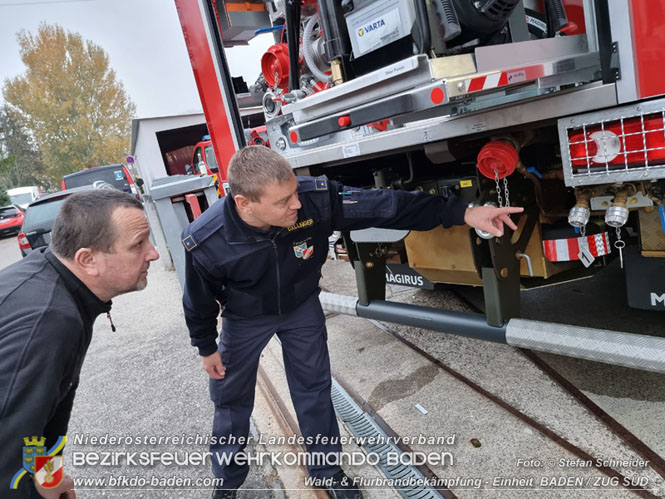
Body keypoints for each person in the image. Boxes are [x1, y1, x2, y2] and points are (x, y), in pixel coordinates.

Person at [182, 146, 522, 499]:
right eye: (283, 201)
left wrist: (463, 212)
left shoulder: (316, 201)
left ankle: (327, 470)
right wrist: (206, 346)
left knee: (313, 390)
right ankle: (227, 480)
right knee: (231, 399)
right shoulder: (208, 240)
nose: (296, 205)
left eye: (295, 192)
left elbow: (387, 205)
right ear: (244, 203)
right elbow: (197, 302)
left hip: (300, 307)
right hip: (247, 317)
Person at [0, 190, 159, 499]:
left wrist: (48, 477)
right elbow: (6, 462)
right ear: (87, 259)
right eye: (138, 244)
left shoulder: (51, 278)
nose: (152, 253)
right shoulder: (50, 321)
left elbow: (46, 423)